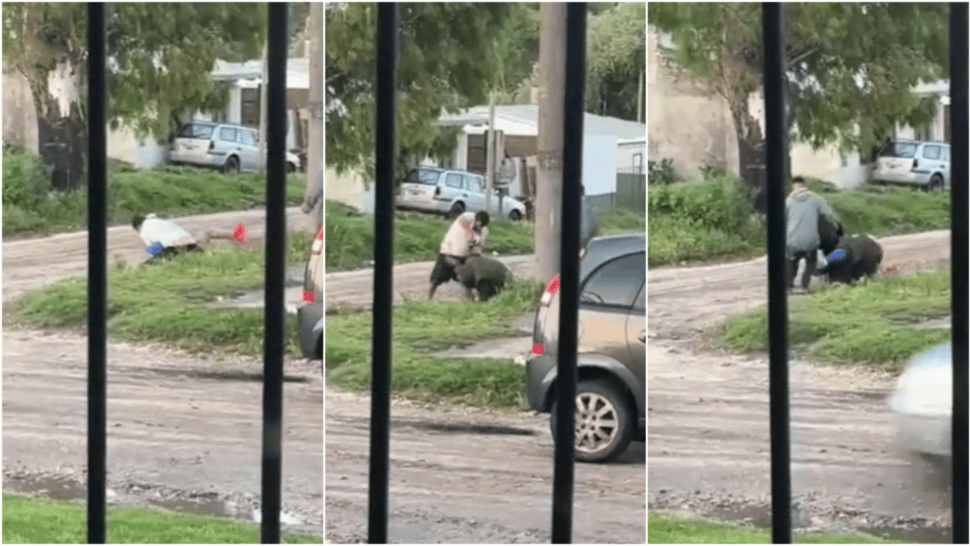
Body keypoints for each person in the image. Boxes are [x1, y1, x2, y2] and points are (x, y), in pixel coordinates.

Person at [786, 179, 839, 291]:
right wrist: (835, 226)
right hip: (811, 240)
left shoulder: (788, 201)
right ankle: (805, 284)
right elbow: (828, 215)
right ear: (806, 186)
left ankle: (788, 285)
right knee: (811, 262)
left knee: (791, 261)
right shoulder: (816, 199)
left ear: (794, 188)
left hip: (791, 240)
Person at [429, 211, 490, 299]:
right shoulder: (467, 217)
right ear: (476, 219)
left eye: (481, 225)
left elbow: (479, 248)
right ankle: (429, 298)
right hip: (448, 252)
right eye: (478, 223)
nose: (479, 226)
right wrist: (471, 232)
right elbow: (462, 220)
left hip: (464, 256)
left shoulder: (483, 231)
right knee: (436, 279)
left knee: (466, 281)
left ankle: (470, 300)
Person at [132, 213, 203, 262]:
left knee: (152, 252)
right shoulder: (160, 221)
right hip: (191, 243)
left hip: (174, 248)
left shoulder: (143, 230)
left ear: (138, 226)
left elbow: (153, 251)